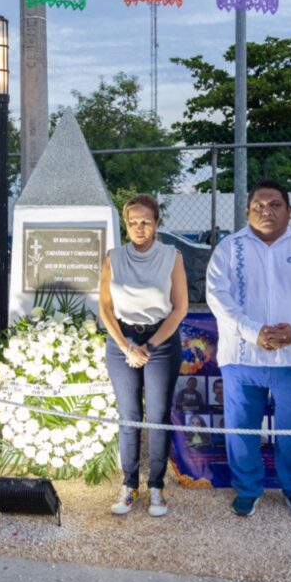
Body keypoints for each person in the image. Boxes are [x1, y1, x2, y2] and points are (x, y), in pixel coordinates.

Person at [206, 179, 291, 523]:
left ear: (289, 210)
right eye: (258, 206)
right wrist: (253, 332)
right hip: (241, 357)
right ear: (248, 211)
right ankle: (247, 490)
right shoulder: (228, 248)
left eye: (275, 205)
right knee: (242, 430)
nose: (266, 211)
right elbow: (217, 297)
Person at [98, 193, 188, 517]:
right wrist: (125, 346)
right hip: (122, 340)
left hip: (160, 341)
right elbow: (105, 307)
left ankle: (157, 487)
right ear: (125, 224)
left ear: (157, 224)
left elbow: (180, 309)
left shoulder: (171, 256)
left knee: (158, 417)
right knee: (129, 416)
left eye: (146, 222)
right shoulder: (113, 257)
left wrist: (149, 346)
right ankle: (129, 485)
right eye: (133, 222)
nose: (139, 227)